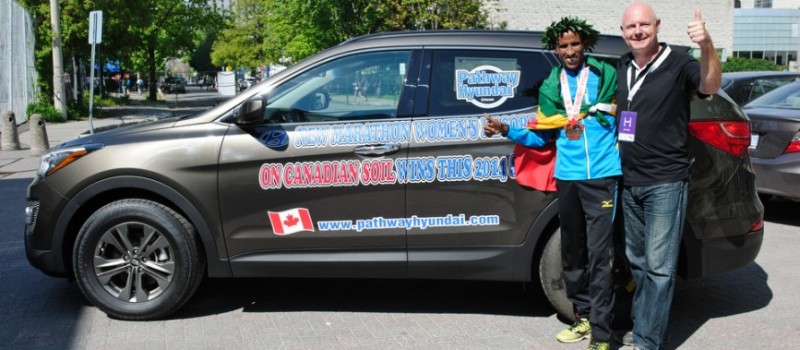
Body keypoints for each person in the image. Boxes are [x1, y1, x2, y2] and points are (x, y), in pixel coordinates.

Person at [484, 17, 620, 350]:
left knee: (600, 256)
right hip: (568, 178)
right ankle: (583, 316)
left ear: (584, 45)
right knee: (572, 252)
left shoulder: (605, 76)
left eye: (575, 44)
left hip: (602, 176)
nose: (570, 51)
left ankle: (603, 334)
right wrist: (507, 130)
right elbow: (541, 137)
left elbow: (628, 117)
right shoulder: (551, 87)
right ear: (556, 49)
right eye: (564, 46)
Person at [616, 3, 721, 350]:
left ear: (657, 25)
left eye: (644, 25)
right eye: (631, 27)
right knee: (638, 264)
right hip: (629, 181)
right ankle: (645, 326)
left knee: (660, 268)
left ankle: (647, 341)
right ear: (623, 32)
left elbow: (710, 85)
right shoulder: (623, 65)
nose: (638, 31)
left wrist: (706, 45)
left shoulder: (679, 63)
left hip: (665, 182)